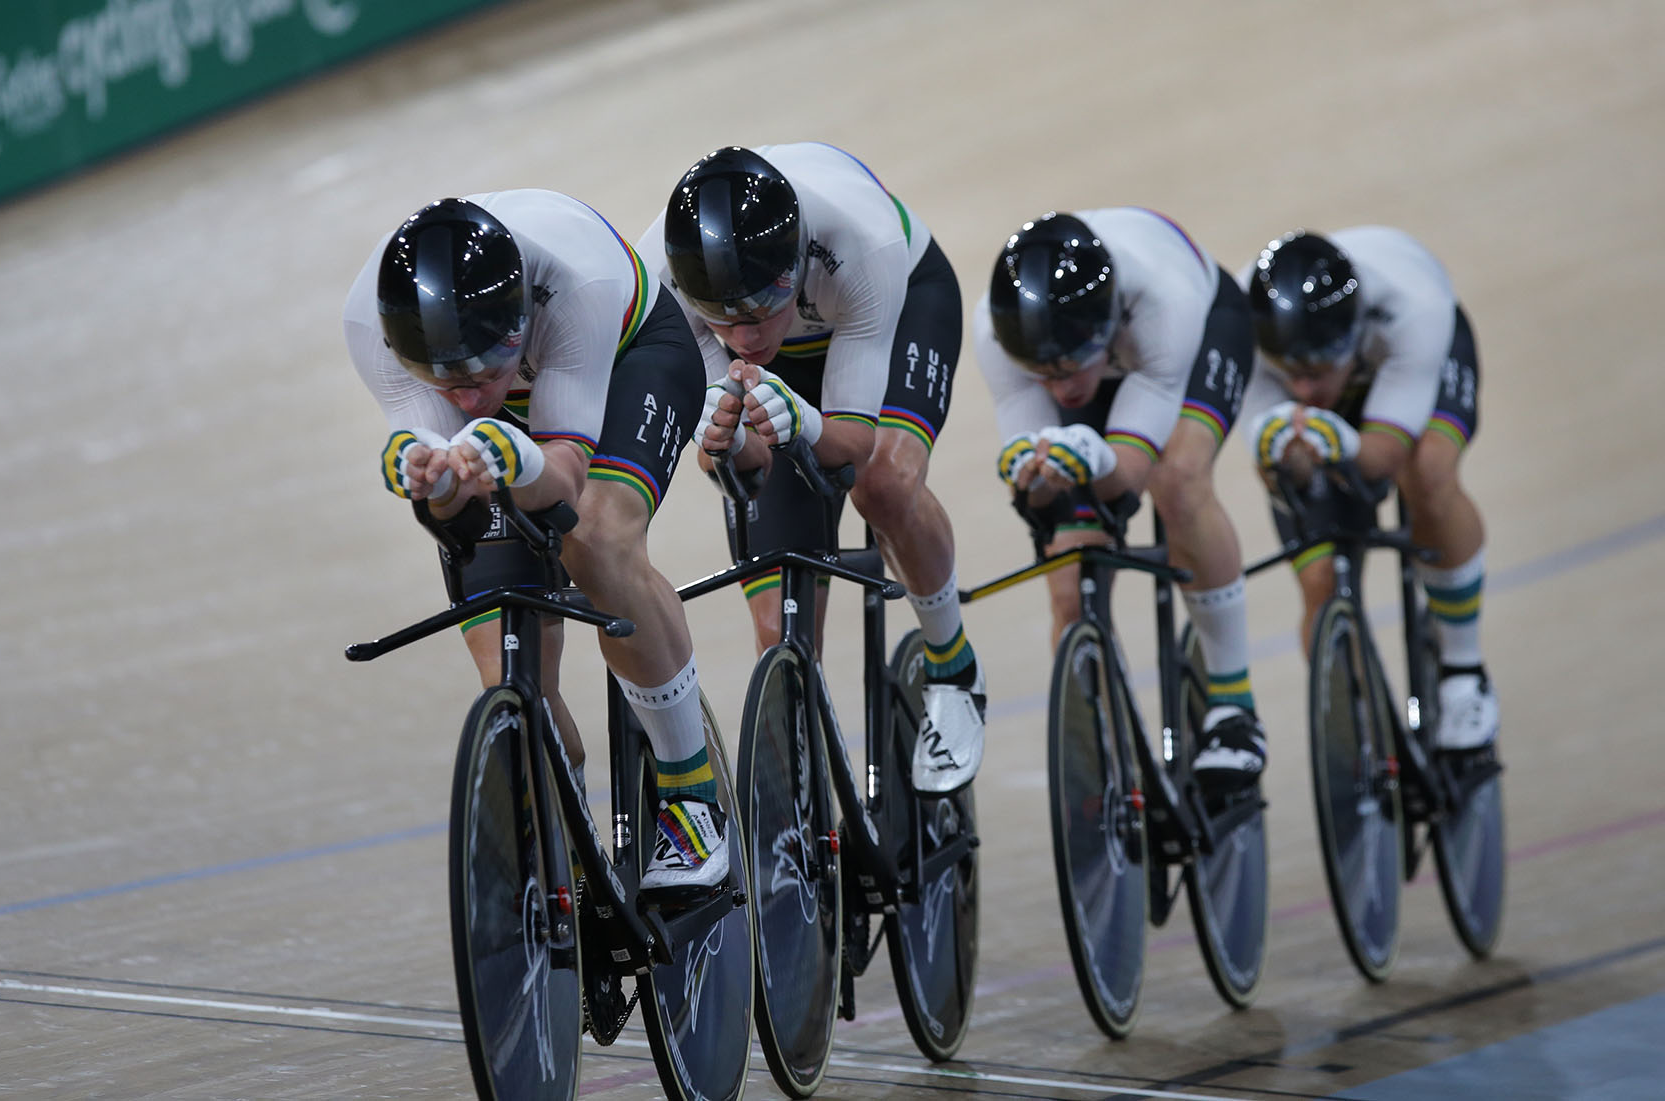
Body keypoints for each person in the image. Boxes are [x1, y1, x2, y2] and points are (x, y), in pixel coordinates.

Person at [343, 191, 728, 891]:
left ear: (520, 318)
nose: (468, 393)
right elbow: (454, 507)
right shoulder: (369, 323)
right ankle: (571, 850)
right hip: (521, 410)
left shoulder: (576, 285)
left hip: (629, 356)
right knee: (507, 663)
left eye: (488, 367)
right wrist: (425, 473)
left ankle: (690, 793)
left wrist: (513, 456)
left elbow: (563, 481)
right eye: (444, 379)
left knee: (597, 538)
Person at [635, 143, 986, 794]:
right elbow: (739, 468)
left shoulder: (862, 242)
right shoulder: (656, 281)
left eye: (764, 303)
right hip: (787, 357)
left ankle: (954, 665)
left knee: (884, 482)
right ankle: (802, 807)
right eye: (723, 318)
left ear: (797, 261)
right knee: (780, 631)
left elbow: (852, 446)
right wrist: (728, 440)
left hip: (893, 310)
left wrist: (809, 422)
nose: (744, 335)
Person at [973, 209, 1267, 796]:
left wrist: (1094, 459)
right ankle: (1103, 748)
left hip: (1202, 327)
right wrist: (1037, 475)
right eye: (1043, 375)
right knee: (1068, 566)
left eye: (1071, 366)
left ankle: (1235, 709)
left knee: (1178, 479)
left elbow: (1129, 474)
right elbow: (1036, 492)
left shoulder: (1164, 306)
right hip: (1105, 347)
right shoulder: (995, 332)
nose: (1061, 389)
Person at [1239, 227, 1498, 750]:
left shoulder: (1411, 306)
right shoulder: (1244, 325)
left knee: (1427, 473)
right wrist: (1297, 466)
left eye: (1316, 371)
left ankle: (1463, 672)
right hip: (1337, 376)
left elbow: (1381, 460)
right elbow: (1272, 470)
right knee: (1318, 578)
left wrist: (1339, 442)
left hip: (1416, 361)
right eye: (1292, 373)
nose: (1305, 390)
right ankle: (1354, 731)